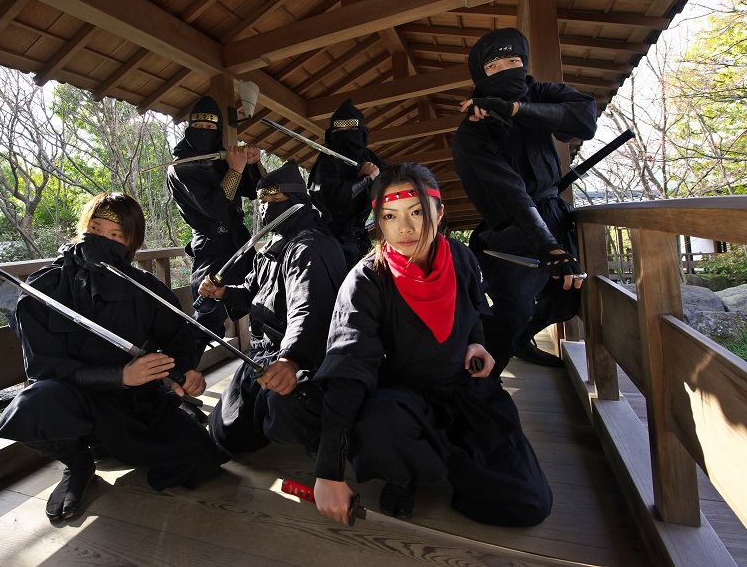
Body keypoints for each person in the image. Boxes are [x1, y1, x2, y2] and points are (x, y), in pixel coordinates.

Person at [312, 163, 552, 526]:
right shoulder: (366, 279)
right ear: (379, 222)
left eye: (417, 212)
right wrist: (329, 471)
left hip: (462, 389)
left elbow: (475, 314)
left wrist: (475, 344)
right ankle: (405, 473)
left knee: (530, 502)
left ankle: (443, 465)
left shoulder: (462, 257)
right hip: (401, 396)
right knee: (379, 427)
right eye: (390, 216)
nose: (404, 228)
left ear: (439, 213)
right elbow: (349, 366)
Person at [0, 192, 230, 521]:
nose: (102, 239)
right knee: (33, 405)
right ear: (82, 228)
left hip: (137, 405)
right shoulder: (44, 289)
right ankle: (78, 466)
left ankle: (172, 425)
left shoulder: (145, 287)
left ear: (131, 242)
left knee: (203, 460)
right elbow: (44, 368)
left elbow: (179, 341)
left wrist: (188, 374)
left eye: (116, 235)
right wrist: (118, 375)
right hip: (76, 402)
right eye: (95, 228)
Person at [451, 28, 597, 373]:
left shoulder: (538, 93)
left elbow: (584, 117)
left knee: (566, 300)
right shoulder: (473, 129)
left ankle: (520, 341)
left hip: (555, 215)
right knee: (511, 311)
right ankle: (481, 383)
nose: (506, 70)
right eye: (494, 66)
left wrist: (517, 109)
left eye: (513, 61)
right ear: (480, 75)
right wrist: (548, 247)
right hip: (514, 227)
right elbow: (509, 192)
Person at [199, 162, 347, 454]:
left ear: (297, 202)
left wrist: (291, 360)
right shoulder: (272, 249)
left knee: (283, 409)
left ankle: (323, 433)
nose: (266, 208)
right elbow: (253, 294)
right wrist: (224, 292)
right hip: (261, 353)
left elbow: (309, 311)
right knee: (225, 432)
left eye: (275, 200)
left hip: (305, 357)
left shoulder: (310, 248)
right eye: (262, 201)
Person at [167, 95, 264, 360]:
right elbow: (215, 208)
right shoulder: (180, 168)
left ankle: (267, 355)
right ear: (189, 128)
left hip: (240, 245)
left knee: (262, 297)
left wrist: (253, 164)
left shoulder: (223, 158)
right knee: (208, 317)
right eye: (199, 127)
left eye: (211, 128)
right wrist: (234, 170)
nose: (205, 132)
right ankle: (183, 372)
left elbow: (255, 191)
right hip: (211, 248)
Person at [307, 99, 387, 267]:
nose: (345, 134)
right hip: (331, 243)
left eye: (351, 129)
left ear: (362, 133)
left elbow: (393, 177)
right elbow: (333, 198)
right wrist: (365, 178)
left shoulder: (368, 158)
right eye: (339, 130)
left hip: (359, 240)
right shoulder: (327, 162)